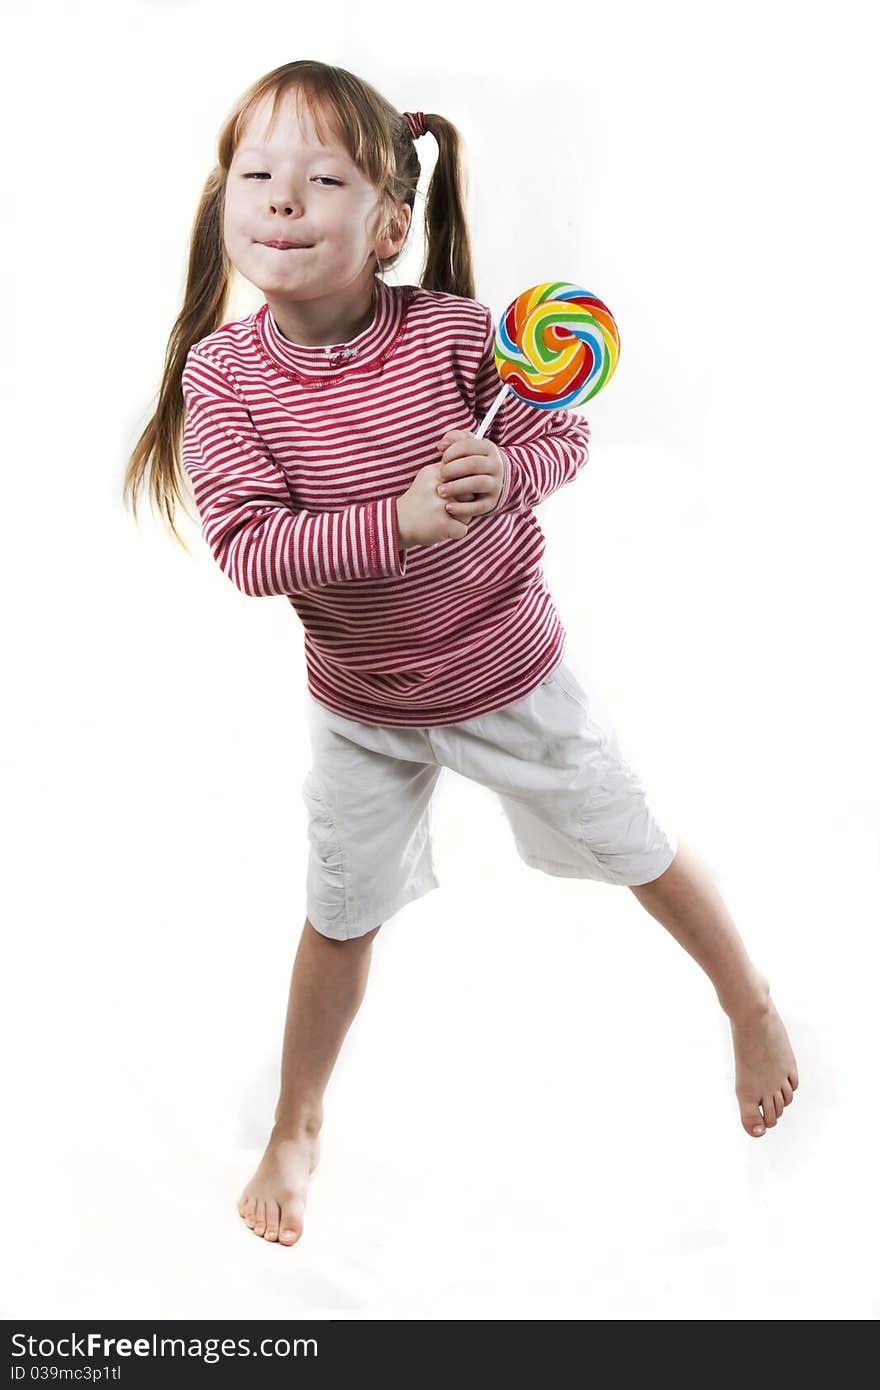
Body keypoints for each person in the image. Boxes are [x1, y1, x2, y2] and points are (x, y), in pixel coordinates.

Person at [123, 60, 799, 1248]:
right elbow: (246, 548)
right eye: (256, 173)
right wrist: (405, 518)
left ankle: (746, 999)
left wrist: (508, 473)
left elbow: (557, 426)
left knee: (634, 839)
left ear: (389, 223)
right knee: (338, 911)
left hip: (509, 675)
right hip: (361, 705)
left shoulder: (456, 336)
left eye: (322, 177)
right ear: (225, 197)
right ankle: (297, 1119)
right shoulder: (223, 377)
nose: (281, 199)